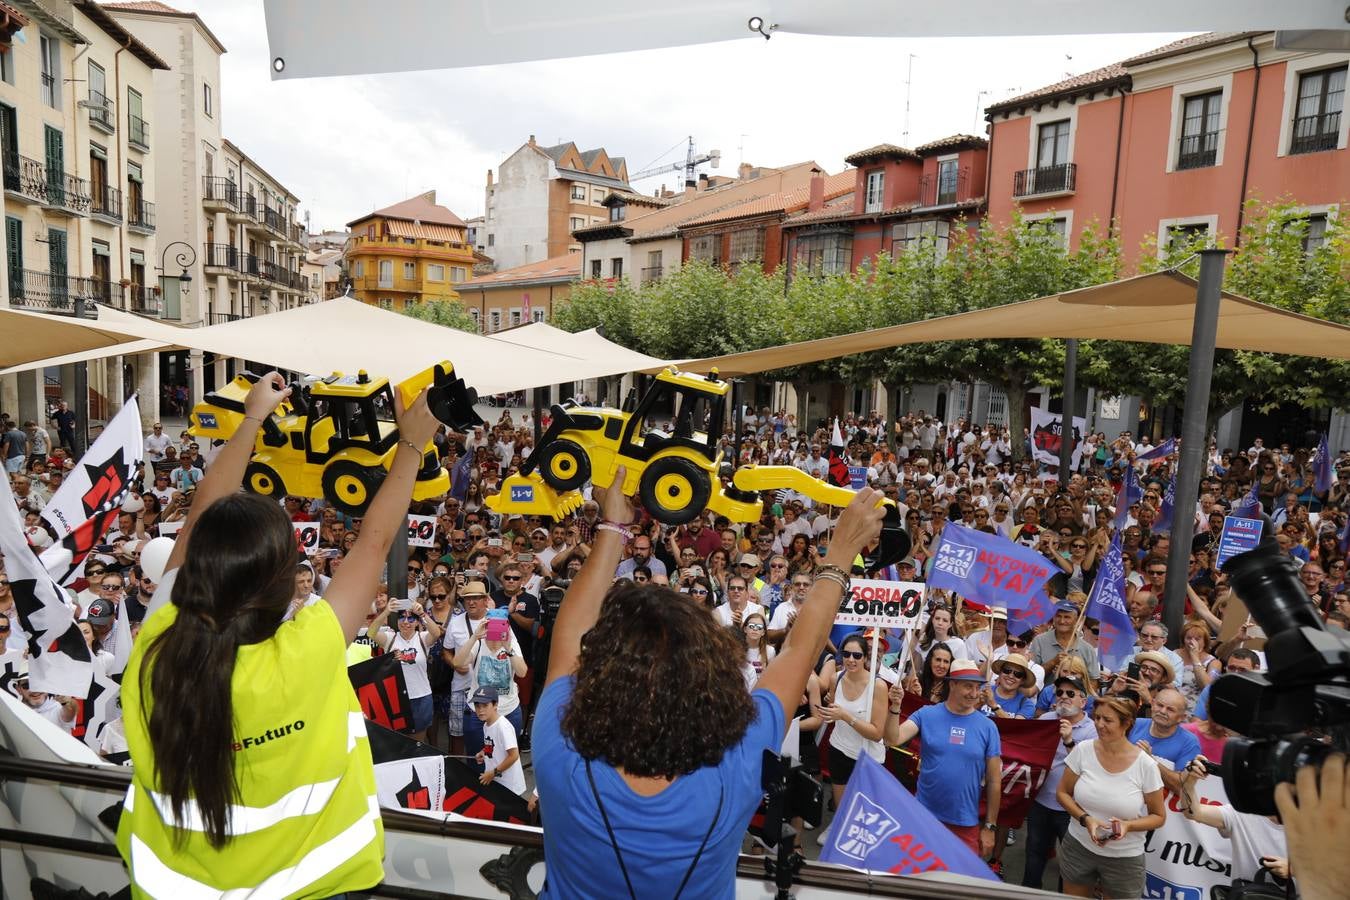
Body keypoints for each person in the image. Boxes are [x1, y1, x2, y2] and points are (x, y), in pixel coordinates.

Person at [117, 372, 438, 895]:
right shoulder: (310, 647)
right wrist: (412, 444)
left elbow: (199, 517)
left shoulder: (157, 648)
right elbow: (375, 541)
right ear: (288, 584)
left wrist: (251, 420)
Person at [532, 475, 885, 898]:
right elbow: (799, 651)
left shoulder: (561, 747)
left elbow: (570, 634)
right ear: (710, 682)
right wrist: (840, 553)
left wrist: (613, 525)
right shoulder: (736, 763)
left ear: (602, 673)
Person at [885, 658, 1003, 856]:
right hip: (923, 816)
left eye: (977, 687)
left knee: (959, 876)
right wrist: (895, 706)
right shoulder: (926, 714)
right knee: (919, 873)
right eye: (968, 686)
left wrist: (990, 827)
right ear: (952, 684)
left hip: (965, 823)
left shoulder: (988, 727)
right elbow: (892, 739)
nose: (974, 693)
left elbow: (994, 781)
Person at [1054, 696, 1166, 900]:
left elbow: (1158, 816)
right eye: (1097, 717)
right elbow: (1062, 793)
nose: (1099, 724)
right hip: (1078, 846)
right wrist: (1086, 819)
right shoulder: (1083, 749)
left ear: (1127, 723)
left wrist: (1128, 826)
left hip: (1124, 858)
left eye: (1107, 720)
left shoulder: (1146, 765)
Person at [1022, 674, 1097, 890]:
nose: (1063, 696)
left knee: (1070, 862)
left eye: (1070, 693)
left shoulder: (1092, 730)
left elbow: (1088, 770)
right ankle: (1028, 893)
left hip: (1071, 808)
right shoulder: (1046, 719)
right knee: (1034, 853)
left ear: (1083, 701)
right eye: (1060, 692)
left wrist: (1068, 741)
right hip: (1040, 802)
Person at [817, 633, 888, 812]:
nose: (851, 660)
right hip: (839, 749)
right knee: (842, 809)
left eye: (857, 655)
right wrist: (828, 710)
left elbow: (877, 733)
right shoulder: (836, 678)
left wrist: (845, 716)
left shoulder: (878, 686)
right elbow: (833, 713)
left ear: (865, 657)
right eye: (846, 654)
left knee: (863, 812)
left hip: (868, 757)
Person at [373, 599, 444, 742]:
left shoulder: (422, 638)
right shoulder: (390, 638)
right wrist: (386, 611)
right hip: (396, 698)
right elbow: (371, 632)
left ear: (417, 622)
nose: (406, 622)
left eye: (411, 618)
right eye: (402, 617)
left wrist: (422, 614)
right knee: (398, 743)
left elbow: (436, 633)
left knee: (417, 743)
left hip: (421, 697)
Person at [1127, 686, 1200, 793]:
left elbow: (1181, 787)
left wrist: (1150, 760)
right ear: (1152, 704)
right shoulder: (1135, 724)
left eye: (1170, 709)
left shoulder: (1190, 742)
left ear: (1182, 717)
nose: (1162, 711)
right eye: (1160, 705)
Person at [472, 686, 527, 795]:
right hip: (497, 781)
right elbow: (494, 745)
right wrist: (484, 752)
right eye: (477, 706)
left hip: (509, 785)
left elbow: (514, 755)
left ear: (495, 705)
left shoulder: (503, 727)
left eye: (485, 705)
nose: (480, 710)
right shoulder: (486, 725)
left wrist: (493, 773)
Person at [1027, 600, 1100, 680]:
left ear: (1077, 620)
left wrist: (1073, 675)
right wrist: (1053, 663)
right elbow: (1030, 677)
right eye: (1058, 616)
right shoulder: (1039, 641)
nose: (1062, 621)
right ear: (1053, 618)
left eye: (1067, 617)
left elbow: (1093, 682)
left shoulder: (1087, 649)